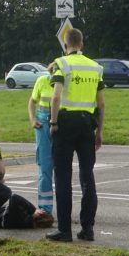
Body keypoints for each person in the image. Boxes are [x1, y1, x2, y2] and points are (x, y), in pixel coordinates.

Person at [47, 28, 105, 243]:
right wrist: (99, 131)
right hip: (87, 125)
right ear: (82, 44)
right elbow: (101, 104)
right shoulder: (95, 68)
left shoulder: (61, 64)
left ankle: (64, 230)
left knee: (62, 178)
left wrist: (53, 122)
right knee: (87, 176)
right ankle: (88, 228)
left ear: (65, 44)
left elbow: (55, 97)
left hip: (65, 123)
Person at [27, 63, 56, 215]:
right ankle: (45, 209)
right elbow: (32, 101)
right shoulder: (42, 81)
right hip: (43, 125)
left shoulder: (67, 83)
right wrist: (32, 119)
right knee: (45, 169)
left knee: (61, 169)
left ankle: (63, 209)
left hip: (60, 126)